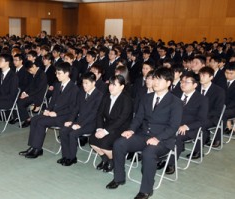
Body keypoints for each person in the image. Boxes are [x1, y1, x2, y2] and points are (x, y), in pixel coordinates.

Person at [106, 67, 183, 199]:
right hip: (144, 135)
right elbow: (138, 118)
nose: (155, 82)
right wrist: (131, 130)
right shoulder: (147, 97)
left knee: (148, 152)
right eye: (155, 79)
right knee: (119, 143)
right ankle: (119, 178)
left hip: (163, 140)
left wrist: (157, 138)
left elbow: (173, 127)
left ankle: (146, 190)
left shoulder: (175, 102)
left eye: (160, 79)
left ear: (169, 83)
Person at [18, 62, 79, 159]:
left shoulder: (74, 88)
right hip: (53, 113)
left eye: (59, 73)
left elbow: (72, 107)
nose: (56, 75)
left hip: (64, 117)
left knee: (41, 122)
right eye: (56, 73)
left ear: (67, 74)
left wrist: (56, 113)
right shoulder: (58, 85)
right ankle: (33, 146)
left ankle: (37, 149)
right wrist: (47, 109)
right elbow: (52, 101)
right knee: (34, 119)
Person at [162, 71, 208, 174]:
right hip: (172, 124)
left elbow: (202, 120)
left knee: (175, 137)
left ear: (195, 85)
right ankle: (161, 158)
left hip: (190, 128)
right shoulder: (175, 94)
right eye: (182, 81)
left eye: (186, 82)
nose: (182, 84)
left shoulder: (202, 99)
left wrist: (186, 126)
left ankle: (170, 163)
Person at [57, 72, 103, 166]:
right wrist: (70, 120)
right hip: (79, 121)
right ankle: (65, 156)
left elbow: (94, 114)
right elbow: (76, 108)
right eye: (83, 83)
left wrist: (80, 125)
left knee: (73, 134)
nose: (84, 85)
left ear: (93, 83)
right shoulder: (82, 92)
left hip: (90, 124)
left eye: (86, 83)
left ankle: (72, 158)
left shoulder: (99, 95)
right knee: (63, 131)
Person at [89, 75, 133, 173]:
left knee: (105, 143)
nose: (111, 87)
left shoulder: (126, 99)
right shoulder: (106, 96)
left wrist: (105, 131)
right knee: (92, 140)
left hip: (121, 127)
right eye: (110, 84)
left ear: (122, 87)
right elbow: (99, 114)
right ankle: (105, 159)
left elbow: (122, 119)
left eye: (114, 85)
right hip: (108, 125)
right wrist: (99, 128)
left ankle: (112, 161)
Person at [16, 61, 47, 128]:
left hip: (38, 96)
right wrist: (24, 92)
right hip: (32, 94)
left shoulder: (42, 74)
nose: (30, 72)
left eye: (30, 70)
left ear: (34, 66)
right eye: (29, 71)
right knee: (18, 100)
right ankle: (25, 117)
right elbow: (30, 86)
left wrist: (27, 94)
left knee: (20, 102)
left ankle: (27, 119)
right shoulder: (34, 73)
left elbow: (38, 89)